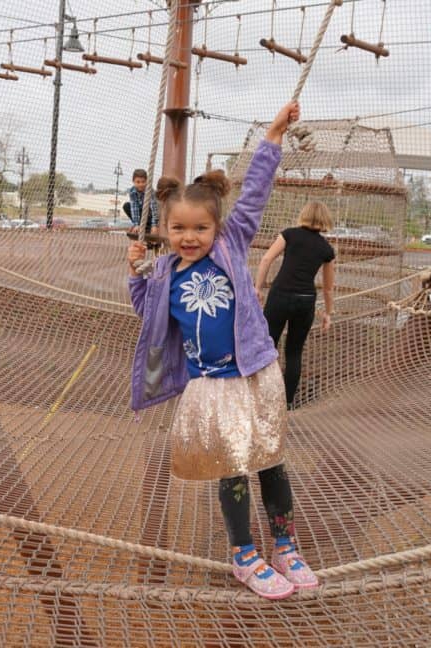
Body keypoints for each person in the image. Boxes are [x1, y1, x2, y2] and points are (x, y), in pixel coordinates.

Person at [127, 102, 318, 600]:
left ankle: (285, 544)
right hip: (211, 385)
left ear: (216, 228)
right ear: (166, 230)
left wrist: (273, 135)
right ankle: (243, 553)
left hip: (254, 374)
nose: (189, 238)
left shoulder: (231, 245)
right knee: (232, 467)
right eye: (178, 229)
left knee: (271, 460)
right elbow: (147, 315)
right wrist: (134, 274)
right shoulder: (166, 272)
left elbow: (253, 194)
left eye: (200, 229)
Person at [255, 201, 335, 409]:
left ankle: (260, 396)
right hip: (305, 300)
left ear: (304, 215)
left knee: (267, 345)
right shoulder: (326, 249)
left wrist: (258, 288)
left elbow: (266, 260)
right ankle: (287, 402)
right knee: (294, 352)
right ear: (325, 220)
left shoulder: (289, 234)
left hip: (280, 295)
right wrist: (328, 313)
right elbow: (328, 288)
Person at [123, 168, 160, 235]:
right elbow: (135, 209)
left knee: (151, 210)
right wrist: (136, 224)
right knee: (126, 206)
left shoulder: (150, 191)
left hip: (150, 214)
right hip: (141, 214)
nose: (141, 184)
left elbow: (154, 209)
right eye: (138, 182)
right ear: (133, 181)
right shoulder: (132, 191)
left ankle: (149, 227)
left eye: (143, 182)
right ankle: (139, 226)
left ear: (146, 181)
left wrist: (154, 225)